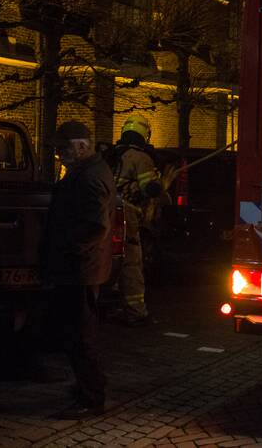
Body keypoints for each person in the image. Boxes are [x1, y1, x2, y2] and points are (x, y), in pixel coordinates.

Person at [46, 121, 115, 419]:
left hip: (80, 269)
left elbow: (95, 226)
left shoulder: (89, 177)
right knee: (78, 332)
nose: (60, 154)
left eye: (64, 148)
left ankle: (91, 397)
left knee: (81, 334)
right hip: (82, 266)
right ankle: (89, 387)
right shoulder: (87, 172)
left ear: (82, 146)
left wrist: (68, 247)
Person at [109, 114, 162, 327]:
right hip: (126, 216)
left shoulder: (111, 155)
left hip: (103, 213)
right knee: (131, 262)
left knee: (108, 261)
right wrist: (158, 182)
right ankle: (136, 312)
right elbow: (150, 188)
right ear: (145, 134)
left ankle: (110, 305)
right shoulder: (140, 158)